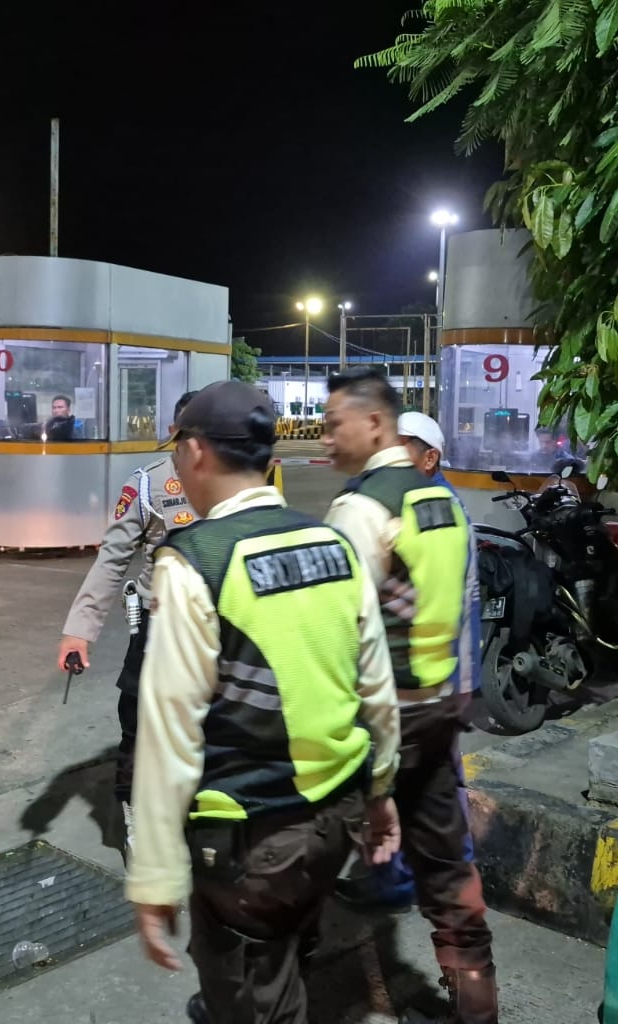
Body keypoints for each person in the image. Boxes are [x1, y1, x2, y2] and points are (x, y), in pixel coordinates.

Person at [124, 380, 402, 1024]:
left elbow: (169, 731)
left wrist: (156, 876)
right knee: (288, 951)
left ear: (195, 452)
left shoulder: (195, 562)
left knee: (253, 997)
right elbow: (376, 689)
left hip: (253, 841)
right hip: (337, 819)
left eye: (177, 450)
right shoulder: (331, 542)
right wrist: (381, 792)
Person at [323, 368, 499, 1024]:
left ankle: (272, 993)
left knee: (301, 847)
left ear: (374, 423)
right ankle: (476, 1004)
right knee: (447, 865)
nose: (325, 437)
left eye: (334, 423)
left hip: (381, 714)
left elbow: (338, 625)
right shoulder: (441, 500)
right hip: (439, 704)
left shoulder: (362, 507)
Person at [337, 410, 480, 914]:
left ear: (429, 456)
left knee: (411, 780)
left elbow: (466, 600)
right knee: (420, 783)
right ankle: (423, 874)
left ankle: (407, 878)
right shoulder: (407, 501)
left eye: (404, 448)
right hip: (421, 683)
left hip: (421, 683)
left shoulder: (436, 509)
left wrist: (464, 680)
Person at [58, 390, 198, 855]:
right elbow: (112, 558)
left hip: (218, 626)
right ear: (175, 432)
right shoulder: (148, 484)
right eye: (188, 432)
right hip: (159, 626)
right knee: (138, 722)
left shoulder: (232, 482)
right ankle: (135, 815)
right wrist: (79, 630)